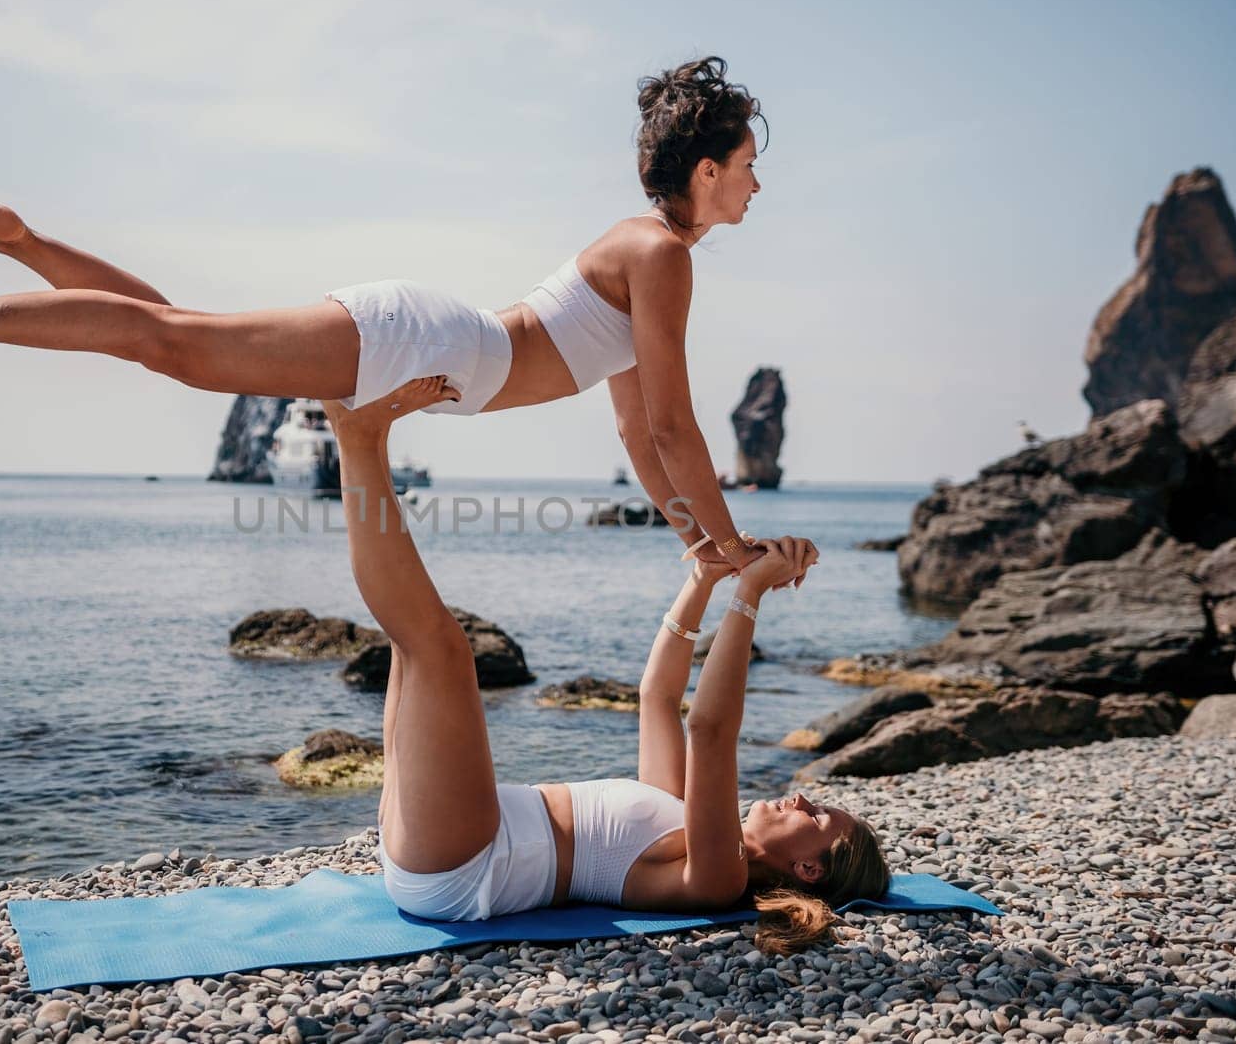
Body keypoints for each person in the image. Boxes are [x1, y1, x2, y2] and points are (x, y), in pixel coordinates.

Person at [0, 57, 766, 571]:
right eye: (749, 164)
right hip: (426, 344)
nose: (758, 183)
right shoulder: (661, 257)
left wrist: (703, 551)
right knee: (171, 343)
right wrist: (736, 545)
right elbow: (679, 428)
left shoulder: (647, 257)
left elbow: (643, 434)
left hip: (434, 346)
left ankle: (19, 243)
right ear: (707, 168)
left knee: (172, 334)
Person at [324, 377, 889, 954]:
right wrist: (701, 580)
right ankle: (357, 430)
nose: (800, 799)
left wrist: (751, 595)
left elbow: (711, 732)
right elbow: (659, 698)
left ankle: (358, 435)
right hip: (446, 837)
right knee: (409, 640)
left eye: (816, 817)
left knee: (438, 646)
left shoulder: (722, 876)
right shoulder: (682, 817)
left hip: (469, 862)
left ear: (808, 871)